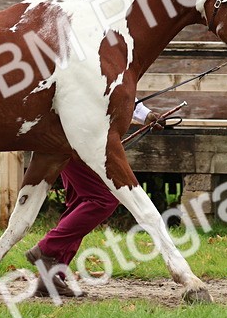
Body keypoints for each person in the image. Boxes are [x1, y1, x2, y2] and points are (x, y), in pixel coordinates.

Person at [25, 101, 173, 298]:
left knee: (80, 204)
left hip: (71, 138)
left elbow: (113, 88)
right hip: (73, 139)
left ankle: (51, 278)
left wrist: (145, 115)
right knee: (103, 199)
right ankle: (46, 248)